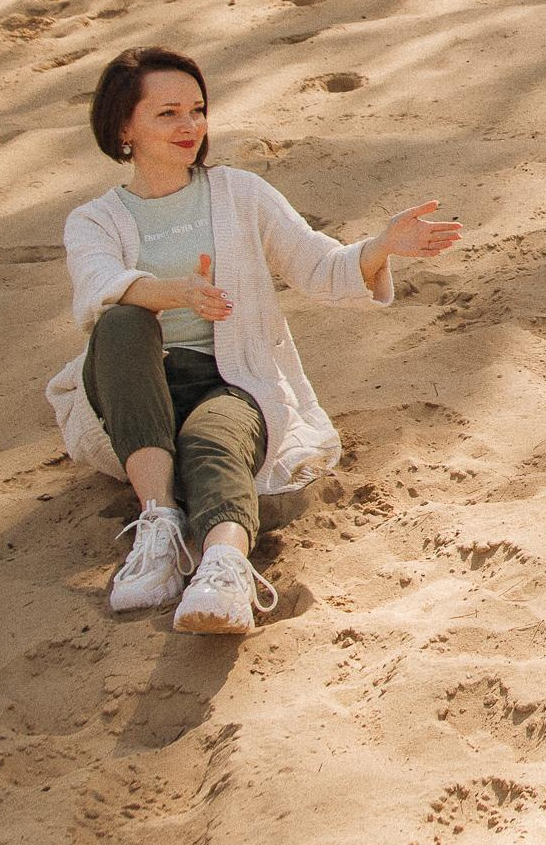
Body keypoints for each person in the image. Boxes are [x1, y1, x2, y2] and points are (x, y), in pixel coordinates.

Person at [46, 47, 460, 634]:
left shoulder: (240, 193)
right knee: (120, 320)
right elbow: (99, 289)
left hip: (230, 381)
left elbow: (320, 267)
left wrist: (382, 246)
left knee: (214, 443)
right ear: (123, 127)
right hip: (134, 385)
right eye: (167, 113)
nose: (189, 126)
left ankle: (224, 568)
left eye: (198, 110)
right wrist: (178, 294)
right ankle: (159, 525)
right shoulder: (93, 220)